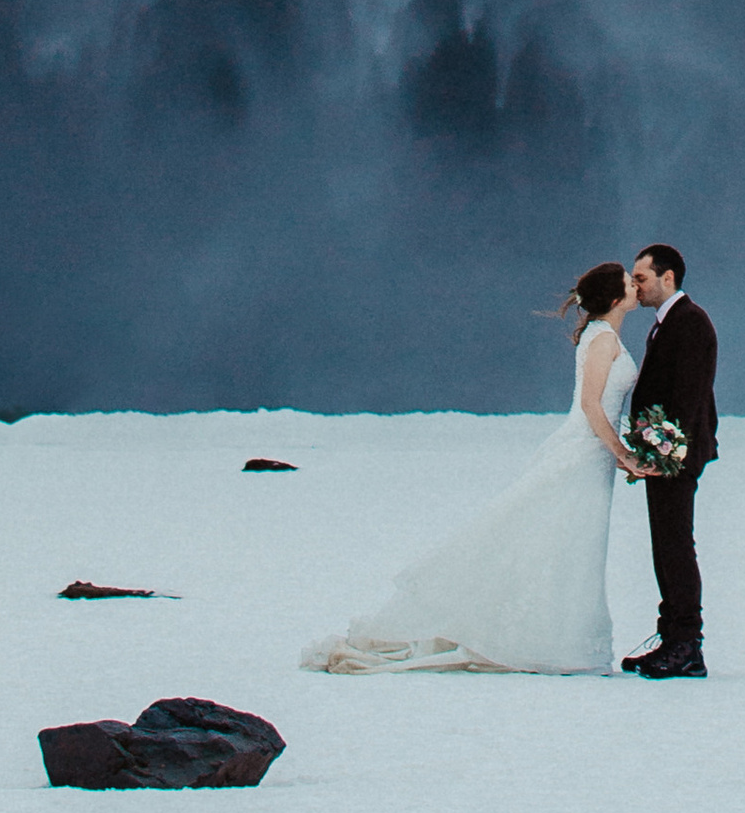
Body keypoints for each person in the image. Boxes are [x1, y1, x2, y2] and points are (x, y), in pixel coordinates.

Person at [300, 261, 643, 674]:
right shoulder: (603, 340)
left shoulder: (602, 336)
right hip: (584, 452)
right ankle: (549, 640)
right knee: (564, 539)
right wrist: (621, 451)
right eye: (630, 283)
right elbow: (591, 405)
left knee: (567, 542)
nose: (636, 287)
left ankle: (556, 635)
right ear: (614, 298)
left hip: (591, 454)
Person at [620, 243, 715, 680]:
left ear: (668, 278)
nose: (635, 287)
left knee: (676, 546)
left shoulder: (690, 322)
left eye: (641, 278)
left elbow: (688, 399)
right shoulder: (668, 323)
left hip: (675, 456)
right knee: (667, 546)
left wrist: (666, 453)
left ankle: (687, 645)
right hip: (665, 454)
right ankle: (671, 636)